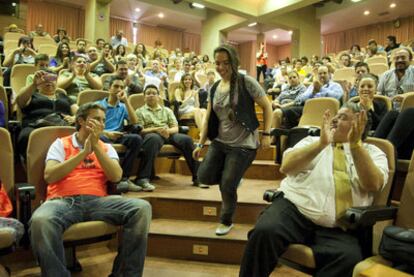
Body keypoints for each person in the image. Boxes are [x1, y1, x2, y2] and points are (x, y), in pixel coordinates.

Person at [239, 103, 389, 277]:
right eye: (336, 115)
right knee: (265, 232)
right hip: (294, 210)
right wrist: (321, 144)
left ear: (360, 123)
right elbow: (286, 166)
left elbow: (374, 184)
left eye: (343, 117)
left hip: (338, 226)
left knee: (349, 259)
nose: (335, 120)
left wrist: (355, 146)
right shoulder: (313, 141)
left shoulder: (373, 153)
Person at [29, 102, 151, 277]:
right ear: (81, 120)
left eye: (103, 120)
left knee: (142, 208)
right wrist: (82, 153)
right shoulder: (60, 144)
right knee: (41, 220)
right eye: (96, 119)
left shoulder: (106, 147)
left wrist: (95, 147)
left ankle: (125, 274)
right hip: (63, 201)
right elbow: (50, 176)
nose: (101, 124)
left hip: (98, 201)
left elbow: (116, 176)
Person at [193, 44, 272, 236]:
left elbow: (267, 107)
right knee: (202, 177)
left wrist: (266, 134)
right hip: (220, 141)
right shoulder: (213, 88)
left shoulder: (247, 82)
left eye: (226, 63)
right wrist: (201, 142)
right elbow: (209, 116)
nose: (221, 67)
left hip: (243, 144)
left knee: (227, 184)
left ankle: (226, 220)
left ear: (234, 62)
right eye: (218, 63)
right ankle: (234, 176)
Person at [135, 85, 201, 190]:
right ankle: (143, 178)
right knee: (153, 139)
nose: (151, 95)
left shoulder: (167, 110)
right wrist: (156, 130)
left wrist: (167, 131)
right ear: (144, 97)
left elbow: (175, 127)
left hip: (168, 134)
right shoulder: (139, 111)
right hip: (152, 134)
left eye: (154, 93)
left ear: (158, 96)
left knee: (187, 140)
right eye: (148, 93)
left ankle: (198, 177)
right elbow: (140, 130)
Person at [16, 71, 78, 159]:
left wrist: (74, 117)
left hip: (64, 125)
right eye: (45, 79)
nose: (49, 81)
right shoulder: (32, 95)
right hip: (36, 125)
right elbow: (20, 102)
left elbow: (80, 111)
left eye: (52, 79)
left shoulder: (63, 96)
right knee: (26, 136)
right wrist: (34, 84)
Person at [97, 77, 143, 191]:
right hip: (102, 135)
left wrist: (126, 101)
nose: (119, 89)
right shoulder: (98, 105)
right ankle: (108, 179)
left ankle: (124, 178)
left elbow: (134, 121)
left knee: (136, 139)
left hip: (118, 135)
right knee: (101, 138)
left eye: (122, 87)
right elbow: (91, 125)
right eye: (116, 86)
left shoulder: (123, 106)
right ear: (109, 88)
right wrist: (107, 133)